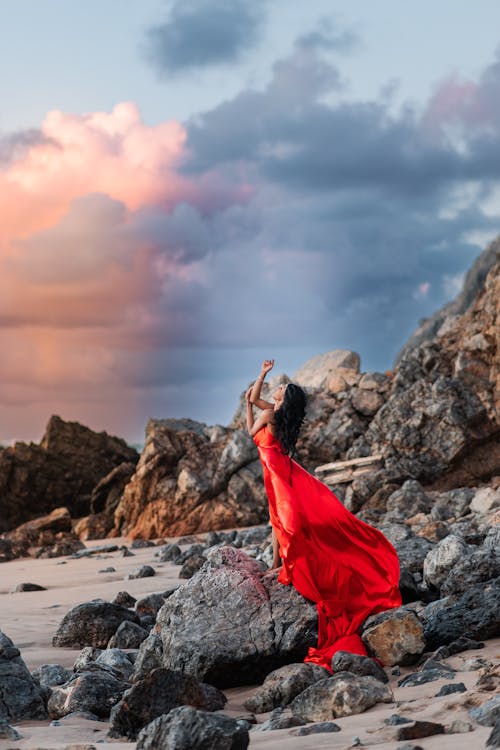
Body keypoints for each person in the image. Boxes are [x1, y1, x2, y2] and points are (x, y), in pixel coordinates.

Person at [245, 358, 402, 673]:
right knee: (278, 522)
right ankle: (277, 565)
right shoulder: (275, 414)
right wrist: (261, 378)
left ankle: (282, 565)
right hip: (278, 472)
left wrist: (259, 383)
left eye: (281, 387)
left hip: (280, 476)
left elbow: (251, 428)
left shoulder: (268, 415)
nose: (278, 387)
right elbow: (252, 398)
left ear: (283, 399)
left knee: (287, 525)